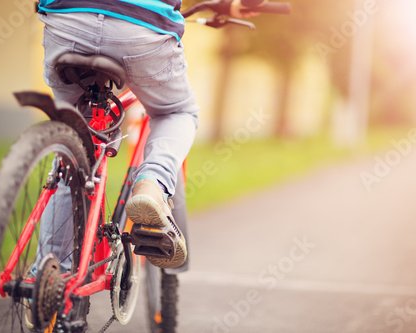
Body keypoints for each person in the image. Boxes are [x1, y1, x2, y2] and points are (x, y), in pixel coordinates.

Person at [35, 0, 266, 270]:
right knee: (176, 113)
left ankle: (49, 277)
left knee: (75, 146)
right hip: (141, 25)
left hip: (68, 21)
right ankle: (152, 183)